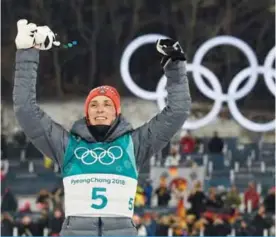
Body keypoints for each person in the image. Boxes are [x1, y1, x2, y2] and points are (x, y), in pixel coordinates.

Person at [13, 20, 191, 236]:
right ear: (86, 113)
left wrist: (175, 66)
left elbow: (177, 112)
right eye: (94, 105)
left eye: (107, 105)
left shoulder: (134, 145)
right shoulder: (67, 146)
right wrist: (27, 54)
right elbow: (26, 111)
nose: (100, 109)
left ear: (117, 113)